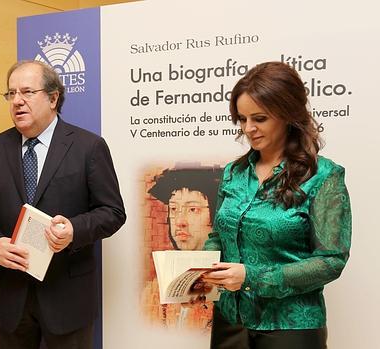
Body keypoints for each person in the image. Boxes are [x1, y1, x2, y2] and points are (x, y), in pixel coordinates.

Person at [0, 60, 126, 349]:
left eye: (27, 92)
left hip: (67, 296)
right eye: (11, 93)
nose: (17, 101)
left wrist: (74, 230)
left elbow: (113, 212)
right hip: (11, 297)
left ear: (53, 98)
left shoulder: (88, 147)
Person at [202, 61, 352, 349]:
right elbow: (218, 236)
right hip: (230, 321)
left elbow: (331, 260)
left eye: (259, 118)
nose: (248, 129)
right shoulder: (234, 173)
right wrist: (205, 268)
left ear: (288, 115)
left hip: (291, 328)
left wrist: (252, 277)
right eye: (242, 119)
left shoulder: (324, 177)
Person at [141, 167, 221, 329]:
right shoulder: (154, 292)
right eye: (174, 209)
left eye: (193, 209)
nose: (179, 221)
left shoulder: (232, 280)